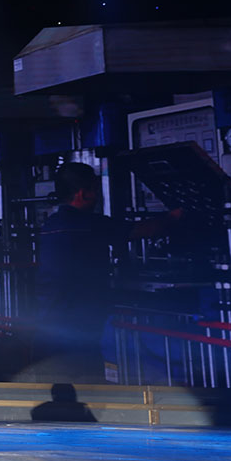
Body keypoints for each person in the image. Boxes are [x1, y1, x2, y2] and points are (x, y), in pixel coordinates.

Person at [35, 162, 182, 381]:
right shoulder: (88, 224)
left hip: (48, 322)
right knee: (87, 382)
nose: (98, 197)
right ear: (83, 194)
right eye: (95, 190)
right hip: (79, 326)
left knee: (56, 385)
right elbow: (142, 230)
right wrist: (174, 216)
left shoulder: (51, 224)